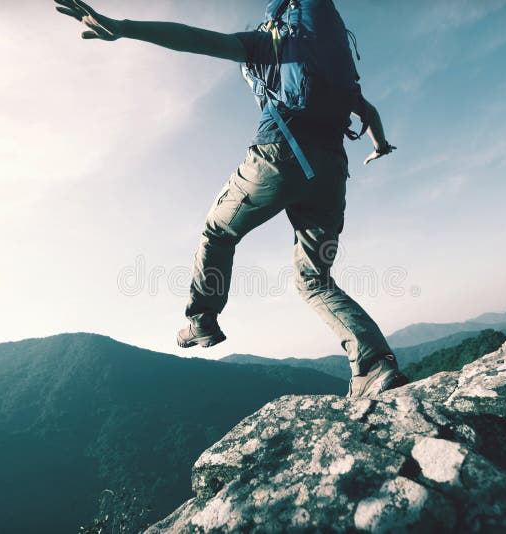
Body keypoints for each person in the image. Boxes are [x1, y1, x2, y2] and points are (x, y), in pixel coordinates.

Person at [55, 0, 409, 398]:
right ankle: (375, 364)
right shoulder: (333, 67)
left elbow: (193, 38)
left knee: (217, 231)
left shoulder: (263, 43)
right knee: (315, 280)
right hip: (330, 170)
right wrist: (379, 145)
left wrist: (124, 27)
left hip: (279, 155)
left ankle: (202, 320)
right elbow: (369, 112)